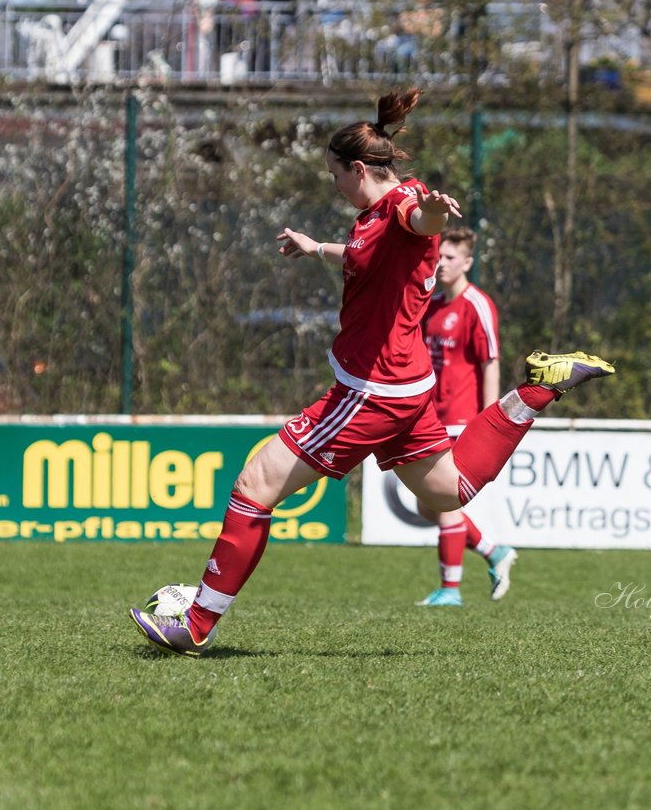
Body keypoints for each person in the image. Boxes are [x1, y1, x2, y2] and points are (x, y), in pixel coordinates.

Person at [130, 88, 614, 657]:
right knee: (448, 492)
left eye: (335, 174)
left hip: (370, 390)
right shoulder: (373, 218)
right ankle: (539, 388)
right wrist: (315, 249)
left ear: (358, 168)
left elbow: (420, 219)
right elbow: (367, 250)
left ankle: (197, 625)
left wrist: (436, 209)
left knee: (254, 486)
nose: (332, 184)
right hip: (405, 386)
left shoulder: (405, 207)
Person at [416, 226, 516, 607]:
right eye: (439, 256)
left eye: (451, 258)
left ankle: (451, 590)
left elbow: (491, 362)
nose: (441, 264)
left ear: (468, 263)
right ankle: (493, 552)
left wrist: (491, 420)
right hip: (430, 417)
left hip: (461, 420)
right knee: (426, 505)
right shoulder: (435, 306)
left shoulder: (478, 305)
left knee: (441, 502)